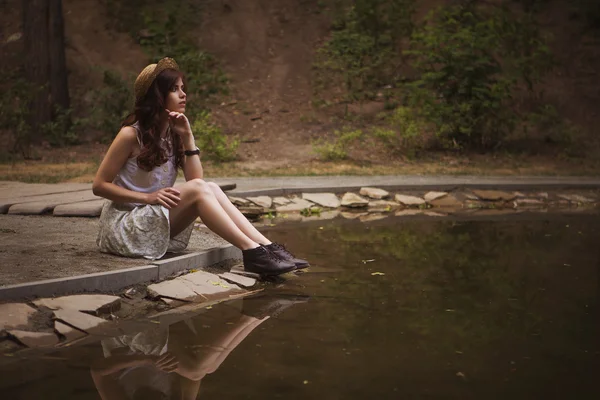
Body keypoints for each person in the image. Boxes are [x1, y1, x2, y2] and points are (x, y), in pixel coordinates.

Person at [92, 57, 308, 276]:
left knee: (210, 187)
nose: (183, 94)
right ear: (157, 96)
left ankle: (266, 247)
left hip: (152, 219)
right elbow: (99, 186)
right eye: (174, 89)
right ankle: (252, 251)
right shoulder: (130, 134)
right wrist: (148, 197)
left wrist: (188, 137)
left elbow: (196, 180)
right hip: (125, 226)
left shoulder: (173, 132)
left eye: (182, 88)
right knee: (201, 188)